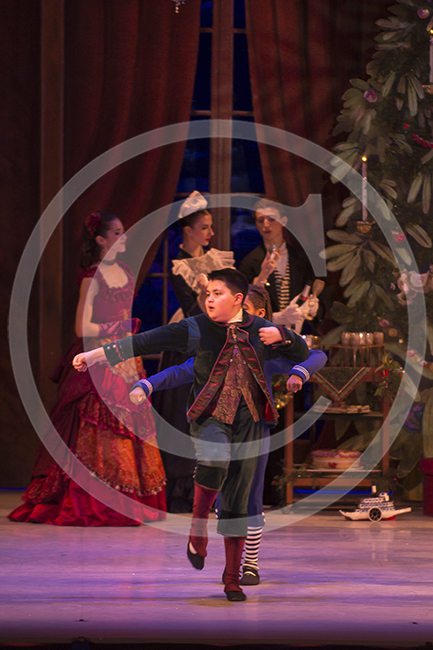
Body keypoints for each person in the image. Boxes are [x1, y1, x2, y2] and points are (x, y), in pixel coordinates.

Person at [73, 267, 309, 601]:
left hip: (251, 423)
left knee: (237, 500)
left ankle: (232, 579)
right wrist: (94, 355)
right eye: (208, 294)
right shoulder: (197, 327)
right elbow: (145, 340)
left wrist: (284, 337)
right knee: (214, 458)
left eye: (217, 294)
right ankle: (198, 525)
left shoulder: (262, 330)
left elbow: (304, 354)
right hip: (211, 416)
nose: (209, 300)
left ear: (238, 299)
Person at [129, 284, 327, 586]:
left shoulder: (267, 347)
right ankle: (228, 561)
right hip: (219, 428)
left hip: (253, 431)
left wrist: (300, 372)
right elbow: (184, 369)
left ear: (259, 314)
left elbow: (317, 355)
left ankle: (250, 564)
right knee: (222, 496)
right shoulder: (219, 348)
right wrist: (148, 384)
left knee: (251, 498)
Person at [9, 211, 166, 526]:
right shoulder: (92, 277)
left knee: (131, 424)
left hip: (126, 358)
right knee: (97, 425)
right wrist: (118, 327)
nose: (123, 237)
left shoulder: (124, 271)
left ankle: (131, 498)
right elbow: (82, 328)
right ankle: (96, 499)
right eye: (117, 232)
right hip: (100, 357)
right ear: (101, 240)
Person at [152, 191, 235, 512]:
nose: (210, 233)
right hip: (189, 343)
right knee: (182, 414)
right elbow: (192, 311)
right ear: (188, 230)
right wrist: (203, 293)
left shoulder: (216, 260)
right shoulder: (179, 266)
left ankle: (212, 488)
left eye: (211, 227)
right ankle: (181, 488)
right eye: (204, 227)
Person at [239, 198, 321, 331]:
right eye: (261, 220)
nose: (266, 224)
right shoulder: (249, 262)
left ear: (283, 221)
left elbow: (315, 296)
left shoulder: (301, 258)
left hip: (296, 333)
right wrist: (278, 318)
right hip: (264, 333)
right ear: (256, 225)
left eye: (271, 219)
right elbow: (244, 306)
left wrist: (313, 309)